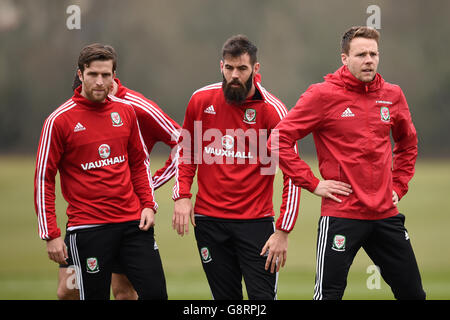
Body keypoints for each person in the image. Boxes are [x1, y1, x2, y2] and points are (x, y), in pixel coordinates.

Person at [268, 26, 426, 300]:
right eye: (361, 54)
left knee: (413, 294)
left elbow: (408, 143)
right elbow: (278, 140)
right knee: (328, 296)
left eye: (374, 54)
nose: (369, 60)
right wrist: (313, 184)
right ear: (344, 58)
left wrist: (399, 186)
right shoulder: (322, 95)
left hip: (386, 215)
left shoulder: (392, 95)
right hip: (342, 216)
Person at [34, 43, 167, 300]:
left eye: (106, 75)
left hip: (133, 225)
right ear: (81, 74)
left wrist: (148, 204)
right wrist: (51, 234)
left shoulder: (126, 111)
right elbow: (44, 179)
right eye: (93, 74)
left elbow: (139, 163)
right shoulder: (58, 121)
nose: (99, 81)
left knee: (156, 294)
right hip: (88, 229)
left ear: (113, 76)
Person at [172, 35, 300, 300]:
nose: (234, 75)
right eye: (229, 68)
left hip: (256, 225)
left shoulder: (272, 110)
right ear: (221, 66)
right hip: (209, 223)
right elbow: (186, 151)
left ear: (255, 69)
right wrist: (182, 196)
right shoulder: (200, 100)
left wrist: (283, 231)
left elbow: (293, 173)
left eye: (242, 69)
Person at [57, 64, 180, 300]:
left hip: (127, 213)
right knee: (68, 289)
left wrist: (151, 186)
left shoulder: (137, 106)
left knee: (123, 291)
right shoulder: (78, 107)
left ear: (111, 81)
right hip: (88, 217)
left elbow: (185, 143)